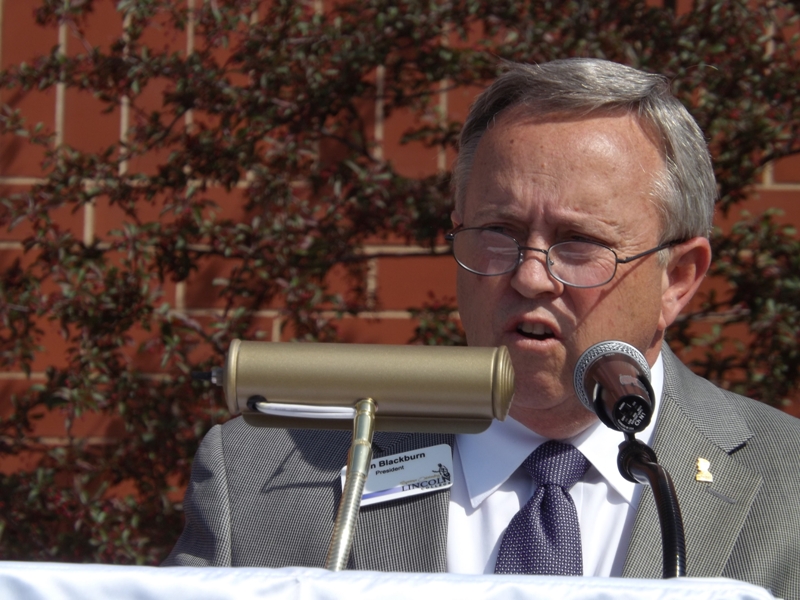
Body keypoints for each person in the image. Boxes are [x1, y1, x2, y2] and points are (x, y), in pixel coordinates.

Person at [164, 58, 800, 599]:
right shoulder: (260, 477)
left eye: (579, 243)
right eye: (498, 232)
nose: (530, 276)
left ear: (677, 279)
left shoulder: (786, 484)